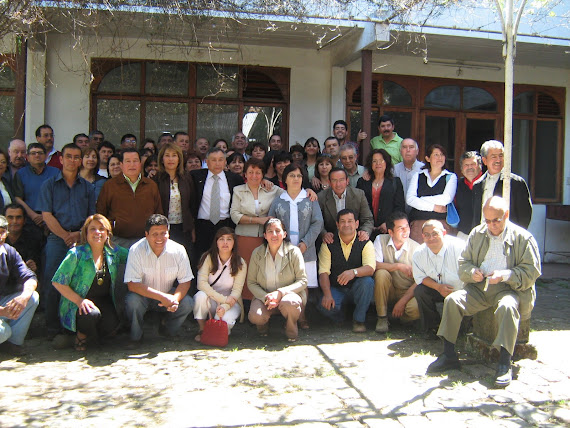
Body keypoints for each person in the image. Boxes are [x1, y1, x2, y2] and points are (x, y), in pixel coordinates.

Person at [427, 197, 541, 388]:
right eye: (487, 221)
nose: (491, 225)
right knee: (453, 301)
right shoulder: (477, 233)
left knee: (507, 306)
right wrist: (473, 272)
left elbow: (532, 272)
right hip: (479, 288)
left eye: (496, 220)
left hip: (508, 289)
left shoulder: (523, 238)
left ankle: (505, 362)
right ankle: (448, 354)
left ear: (505, 215)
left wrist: (506, 275)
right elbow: (463, 263)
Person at [38, 143, 96, 337]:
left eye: (76, 157)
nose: (73, 160)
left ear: (81, 161)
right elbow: (46, 215)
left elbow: (91, 217)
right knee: (54, 281)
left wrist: (79, 234)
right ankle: (53, 328)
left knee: (79, 283)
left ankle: (73, 328)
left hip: (81, 239)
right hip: (57, 239)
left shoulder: (87, 187)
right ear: (61, 159)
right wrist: (65, 236)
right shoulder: (48, 185)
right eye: (68, 156)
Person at [52, 214, 128, 351]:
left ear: (107, 233)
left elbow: (133, 255)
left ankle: (90, 338)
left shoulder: (113, 252)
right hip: (77, 304)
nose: (97, 232)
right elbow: (58, 282)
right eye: (92, 229)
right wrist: (79, 300)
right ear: (85, 233)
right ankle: (80, 337)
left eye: (101, 229)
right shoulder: (76, 254)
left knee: (113, 324)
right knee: (90, 314)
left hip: (103, 301)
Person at [124, 214, 194, 347]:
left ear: (169, 233)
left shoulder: (178, 250)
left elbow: (185, 281)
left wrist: (174, 299)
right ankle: (136, 337)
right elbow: (132, 285)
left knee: (188, 303)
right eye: (155, 234)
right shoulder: (136, 250)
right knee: (132, 301)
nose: (159, 238)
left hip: (168, 293)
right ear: (146, 234)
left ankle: (168, 330)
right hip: (143, 296)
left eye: (163, 233)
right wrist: (163, 297)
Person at [269, 164, 323, 328]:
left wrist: (305, 243)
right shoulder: (278, 200)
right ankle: (287, 315)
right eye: (291, 175)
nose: (295, 179)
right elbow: (271, 223)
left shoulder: (310, 198)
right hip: (282, 250)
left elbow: (318, 222)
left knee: (302, 285)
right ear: (285, 179)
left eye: (299, 176)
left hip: (305, 249)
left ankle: (302, 316)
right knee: (284, 283)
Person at [230, 158, 282, 300]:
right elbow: (235, 215)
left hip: (267, 238)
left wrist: (309, 190)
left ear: (263, 174)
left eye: (258, 173)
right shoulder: (238, 190)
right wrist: (259, 220)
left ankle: (266, 302)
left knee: (264, 271)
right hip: (245, 237)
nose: (254, 176)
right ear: (245, 174)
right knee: (245, 270)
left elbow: (291, 193)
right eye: (251, 172)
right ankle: (245, 303)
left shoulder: (272, 189)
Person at [247, 218, 307, 341]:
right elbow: (251, 282)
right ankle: (263, 326)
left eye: (277, 231)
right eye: (270, 231)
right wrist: (267, 297)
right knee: (255, 316)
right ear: (264, 235)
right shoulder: (257, 253)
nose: (274, 235)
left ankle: (291, 328)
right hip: (265, 296)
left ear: (284, 234)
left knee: (290, 303)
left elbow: (303, 281)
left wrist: (280, 293)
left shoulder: (294, 252)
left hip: (289, 296)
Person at [317, 209, 375, 332]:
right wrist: (327, 295)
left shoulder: (365, 242)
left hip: (357, 288)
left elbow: (370, 268)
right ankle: (341, 319)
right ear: (337, 224)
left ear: (357, 224)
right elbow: (323, 272)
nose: (346, 224)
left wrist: (353, 272)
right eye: (342, 222)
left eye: (350, 221)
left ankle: (359, 320)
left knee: (368, 282)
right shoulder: (329, 243)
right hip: (336, 288)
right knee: (324, 306)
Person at [97, 148, 163, 249]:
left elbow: (158, 213)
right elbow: (101, 213)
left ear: (140, 163)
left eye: (135, 161)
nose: (132, 165)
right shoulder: (110, 186)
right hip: (118, 241)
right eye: (128, 161)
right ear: (121, 165)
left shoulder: (151, 185)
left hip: (145, 240)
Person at [412, 220, 465, 338]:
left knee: (459, 333)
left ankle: (460, 329)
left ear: (444, 233)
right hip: (437, 288)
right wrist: (438, 287)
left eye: (435, 234)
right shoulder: (418, 253)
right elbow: (420, 277)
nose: (431, 238)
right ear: (422, 236)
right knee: (420, 291)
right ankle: (431, 328)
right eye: (427, 235)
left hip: (459, 290)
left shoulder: (459, 247)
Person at [191, 147, 244, 261]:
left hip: (225, 226)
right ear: (206, 161)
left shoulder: (234, 179)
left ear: (225, 162)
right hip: (202, 227)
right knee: (201, 260)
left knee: (224, 260)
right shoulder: (195, 176)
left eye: (221, 160)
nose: (217, 163)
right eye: (213, 160)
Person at [193, 227, 246, 342]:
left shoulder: (240, 263)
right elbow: (201, 284)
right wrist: (222, 299)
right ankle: (202, 329)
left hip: (231, 302)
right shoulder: (207, 258)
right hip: (212, 299)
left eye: (229, 239)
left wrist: (225, 305)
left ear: (234, 243)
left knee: (222, 321)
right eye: (221, 239)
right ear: (216, 242)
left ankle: (217, 330)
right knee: (200, 296)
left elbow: (237, 291)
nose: (225, 243)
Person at [373, 212, 420, 333]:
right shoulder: (380, 240)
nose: (405, 231)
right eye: (400, 228)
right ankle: (382, 317)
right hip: (389, 290)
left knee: (415, 309)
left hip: (407, 292)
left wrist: (402, 302)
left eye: (407, 227)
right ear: (390, 232)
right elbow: (374, 265)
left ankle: (400, 318)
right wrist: (398, 266)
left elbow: (420, 280)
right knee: (381, 273)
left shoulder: (417, 249)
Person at [0, 215, 39, 356]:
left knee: (32, 297)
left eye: (1, 232)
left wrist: (24, 296)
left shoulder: (9, 251)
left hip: (2, 301)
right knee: (3, 332)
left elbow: (29, 276)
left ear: (6, 233)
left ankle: (13, 344)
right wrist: (3, 312)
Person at [406, 144, 457, 243]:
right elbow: (409, 199)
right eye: (436, 155)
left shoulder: (450, 177)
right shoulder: (417, 175)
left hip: (441, 223)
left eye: (442, 155)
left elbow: (446, 198)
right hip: (418, 224)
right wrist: (434, 207)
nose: (440, 157)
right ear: (428, 158)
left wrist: (420, 199)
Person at [476, 140, 532, 229]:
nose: (498, 160)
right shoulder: (478, 185)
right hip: (483, 235)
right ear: (484, 160)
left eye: (501, 156)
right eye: (493, 157)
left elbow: (524, 216)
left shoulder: (515, 182)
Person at [155, 143, 195, 257]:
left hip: (183, 228)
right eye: (167, 155)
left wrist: (192, 228)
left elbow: (192, 204)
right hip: (163, 229)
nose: (171, 159)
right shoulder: (156, 179)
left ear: (179, 159)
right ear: (162, 159)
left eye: (174, 155)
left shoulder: (186, 178)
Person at [357, 149, 405, 239]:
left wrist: (389, 223)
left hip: (387, 229)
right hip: (366, 231)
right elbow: (357, 205)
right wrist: (365, 226)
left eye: (381, 160)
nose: (378, 163)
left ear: (386, 162)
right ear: (370, 164)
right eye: (374, 161)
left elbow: (400, 207)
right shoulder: (362, 182)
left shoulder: (395, 182)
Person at [13, 143, 59, 236]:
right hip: (29, 221)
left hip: (52, 221)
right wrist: (33, 215)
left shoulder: (56, 172)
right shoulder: (21, 174)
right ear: (27, 157)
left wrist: (46, 217)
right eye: (33, 153)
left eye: (40, 153)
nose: (37, 155)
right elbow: (18, 198)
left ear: (46, 156)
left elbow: (60, 196)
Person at [318, 168, 373, 245]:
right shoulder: (321, 197)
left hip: (355, 239)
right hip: (331, 240)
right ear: (329, 182)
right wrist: (324, 234)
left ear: (347, 181)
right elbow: (317, 221)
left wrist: (365, 231)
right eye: (334, 180)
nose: (338, 184)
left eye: (341, 180)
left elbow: (368, 219)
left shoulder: (359, 195)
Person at [455, 151, 484, 239]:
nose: (469, 167)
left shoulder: (488, 182)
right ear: (461, 168)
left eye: (473, 164)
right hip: (463, 234)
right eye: (466, 165)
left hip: (485, 234)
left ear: (480, 166)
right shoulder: (457, 185)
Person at [5, 203, 41, 273]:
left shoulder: (33, 240)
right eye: (10, 217)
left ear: (24, 220)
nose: (14, 221)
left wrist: (33, 267)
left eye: (18, 217)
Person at [393, 138, 424, 212]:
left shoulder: (424, 170)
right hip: (399, 214)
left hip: (419, 214)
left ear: (417, 151)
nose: (408, 150)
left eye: (411, 147)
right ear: (400, 151)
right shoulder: (393, 170)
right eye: (404, 147)